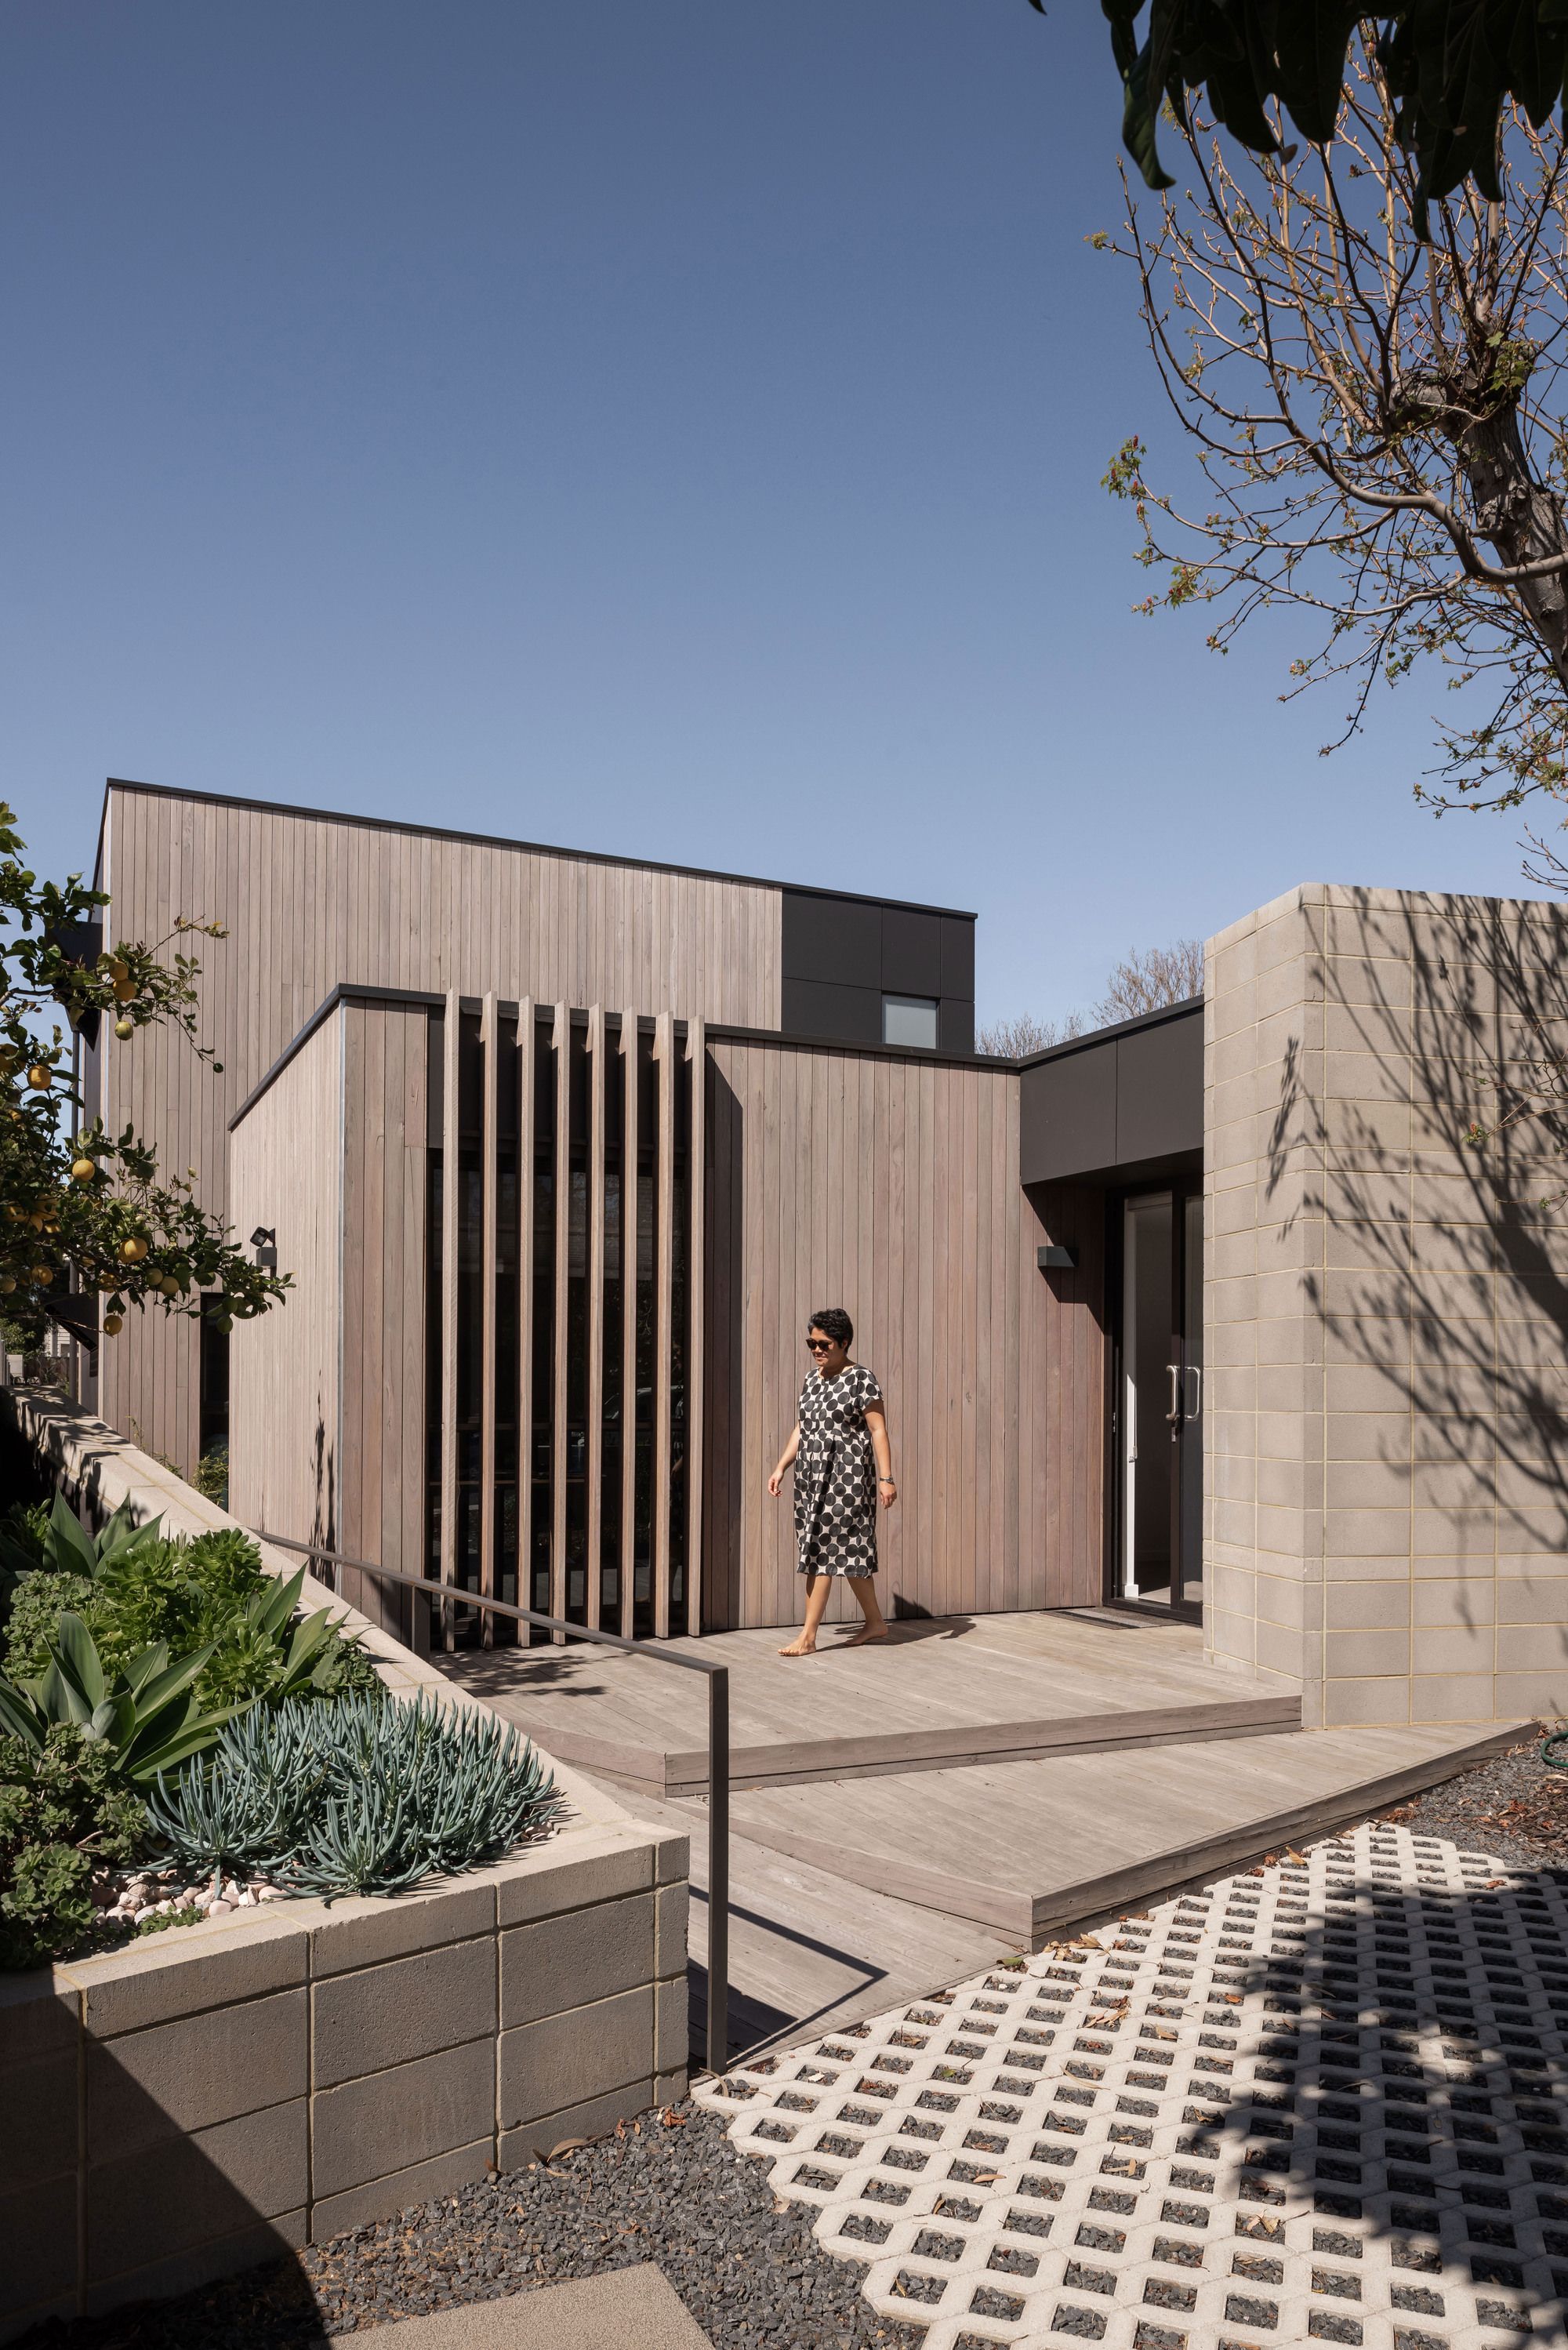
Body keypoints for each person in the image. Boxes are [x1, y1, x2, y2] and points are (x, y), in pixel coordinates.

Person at [768, 1306, 896, 1656]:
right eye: (811, 1343)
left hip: (848, 1478)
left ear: (844, 1343)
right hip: (811, 1477)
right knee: (847, 1551)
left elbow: (878, 1430)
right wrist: (781, 1466)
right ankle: (875, 1623)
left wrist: (887, 1478)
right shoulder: (812, 1379)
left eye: (824, 1344)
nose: (817, 1350)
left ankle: (808, 1636)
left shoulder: (862, 1379)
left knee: (821, 1550)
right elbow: (802, 1427)